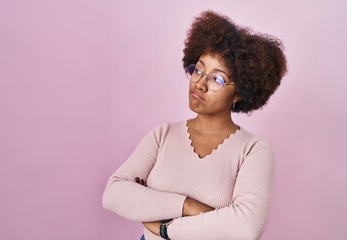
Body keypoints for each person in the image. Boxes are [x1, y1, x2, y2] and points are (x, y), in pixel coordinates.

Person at [102, 10, 287, 240]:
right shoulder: (163, 135)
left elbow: (245, 228)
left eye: (216, 79)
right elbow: (113, 194)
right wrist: (188, 206)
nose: (199, 84)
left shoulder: (254, 149)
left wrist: (164, 227)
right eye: (198, 70)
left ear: (239, 93)